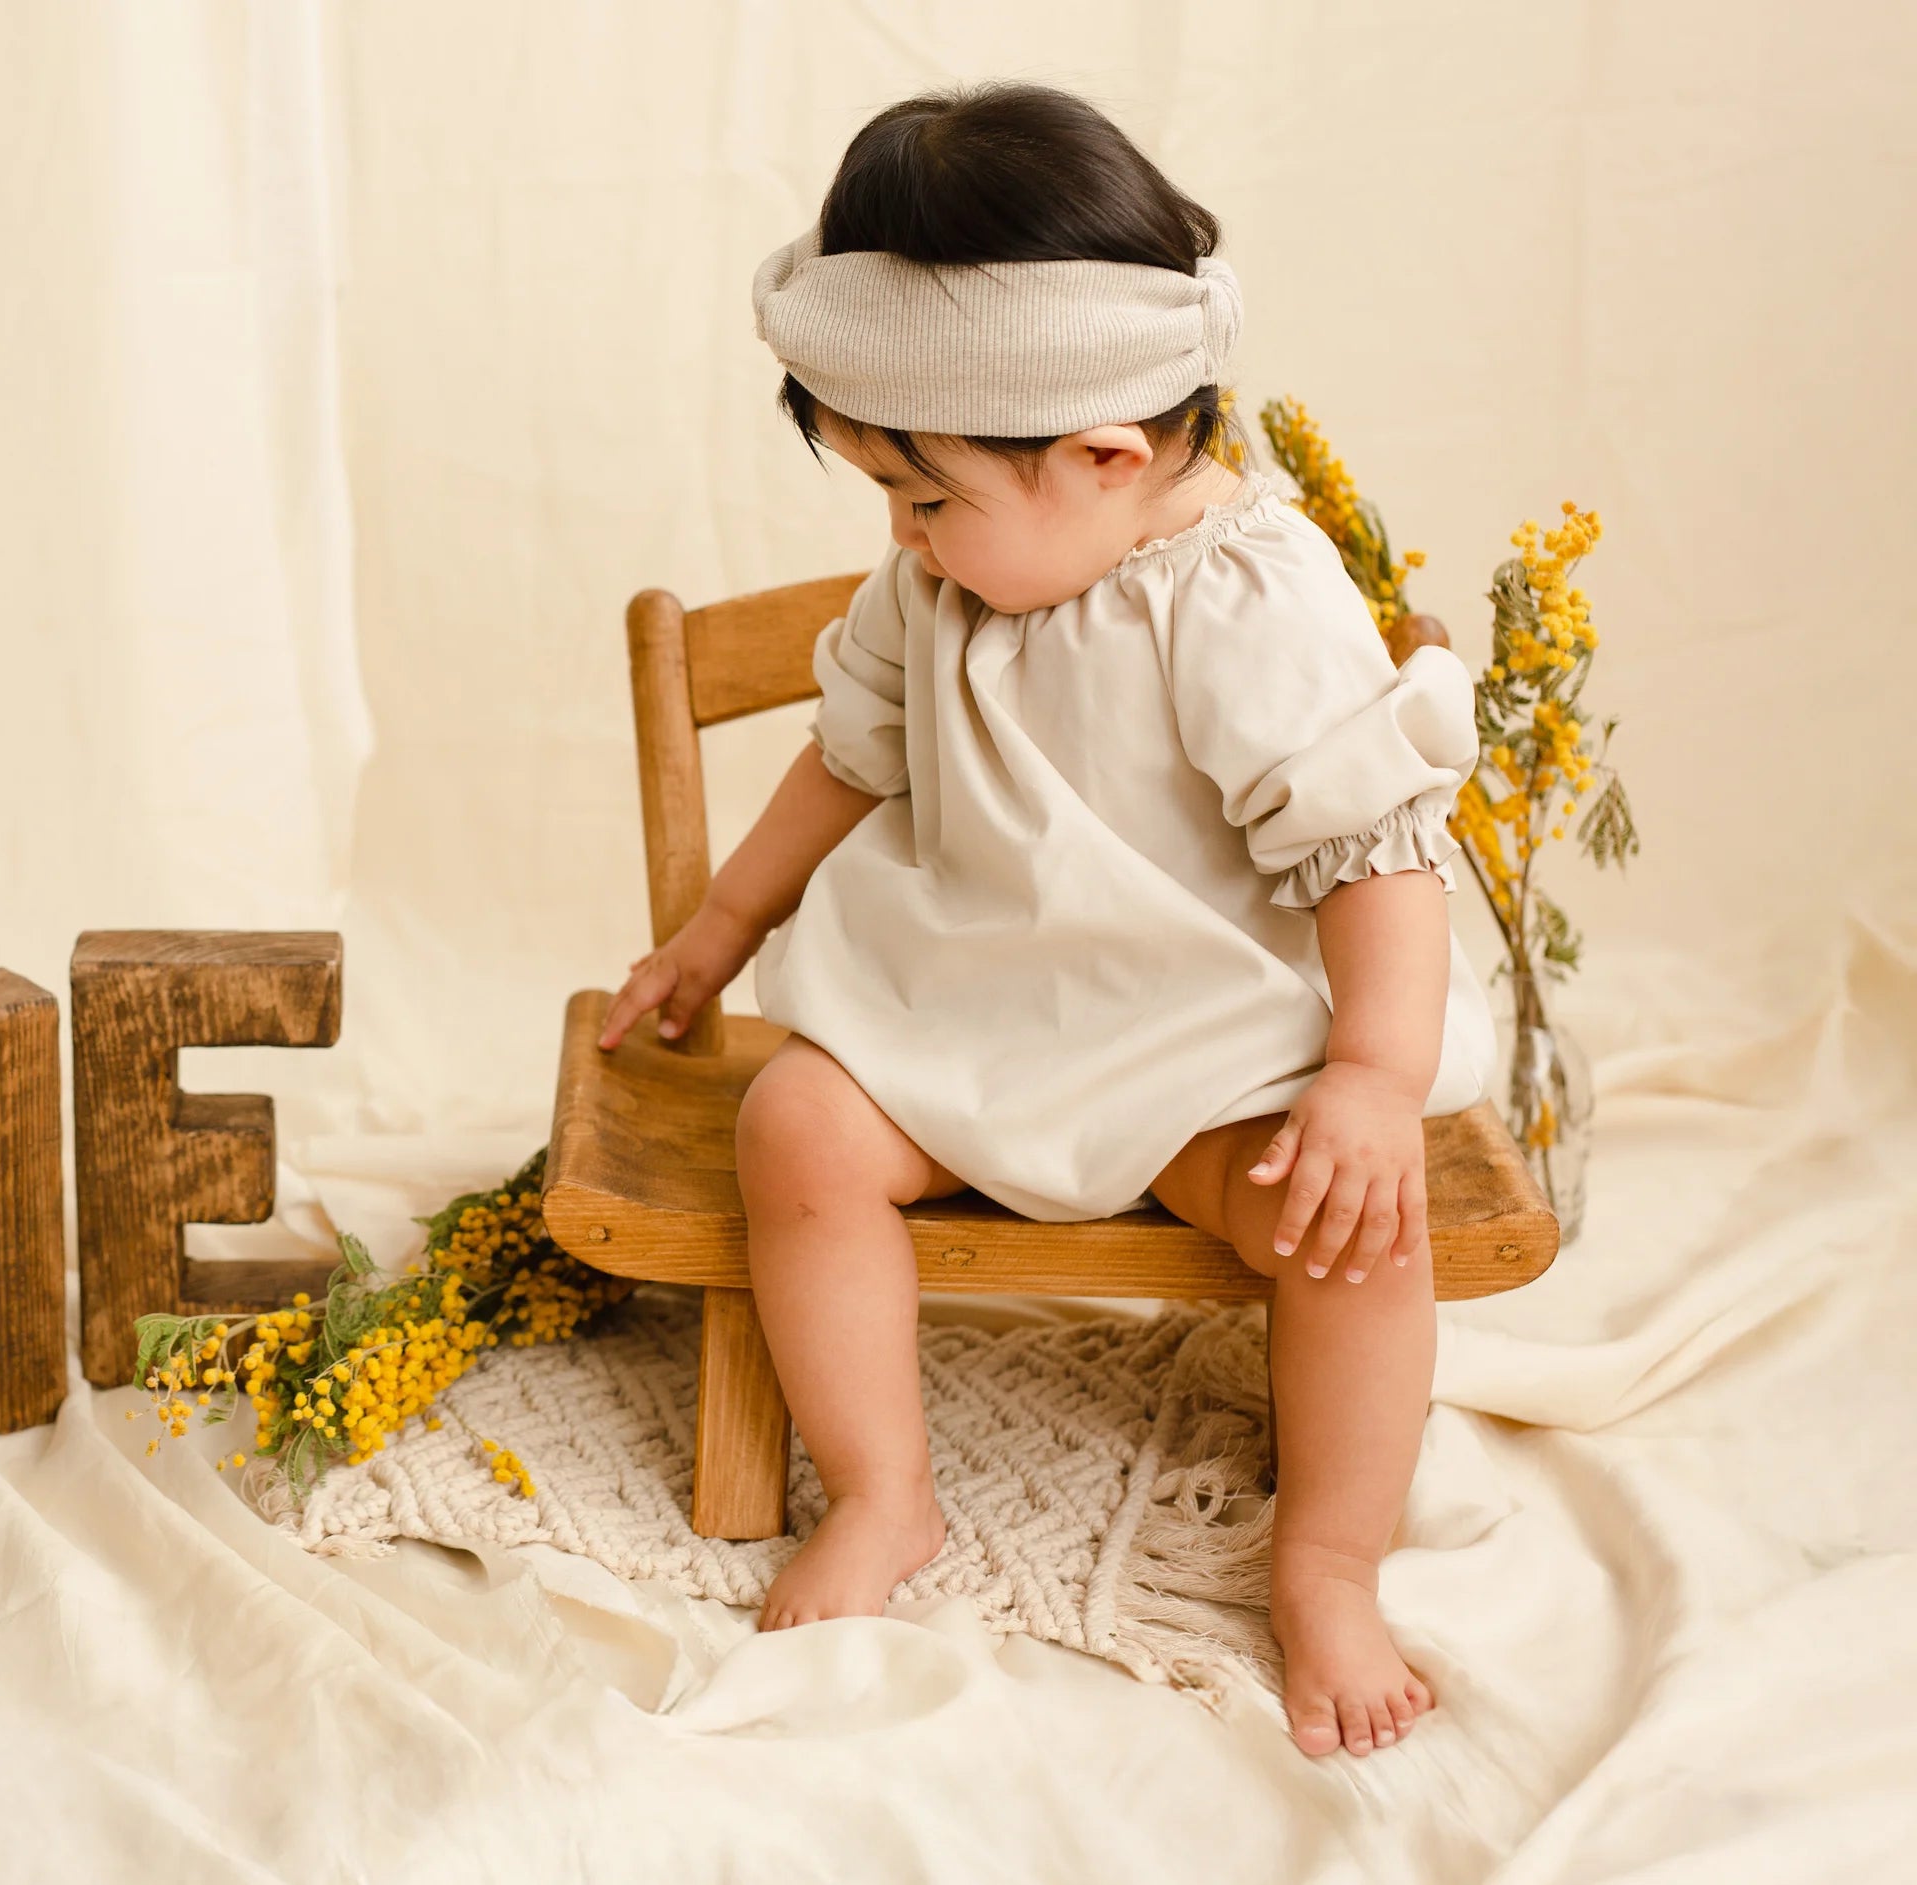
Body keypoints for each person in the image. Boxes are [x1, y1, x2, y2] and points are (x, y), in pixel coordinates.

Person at [598, 82, 1494, 1760]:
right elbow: (846, 755)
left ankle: (1326, 1559)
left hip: (1200, 1036)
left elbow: (1380, 850)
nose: (899, 535)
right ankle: (883, 1487)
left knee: (1353, 1230)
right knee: (797, 1123)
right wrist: (719, 928)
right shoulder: (941, 573)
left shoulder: (1244, 598)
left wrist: (1371, 1073)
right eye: (882, 491)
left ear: (1105, 455)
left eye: (924, 498)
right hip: (972, 1001)